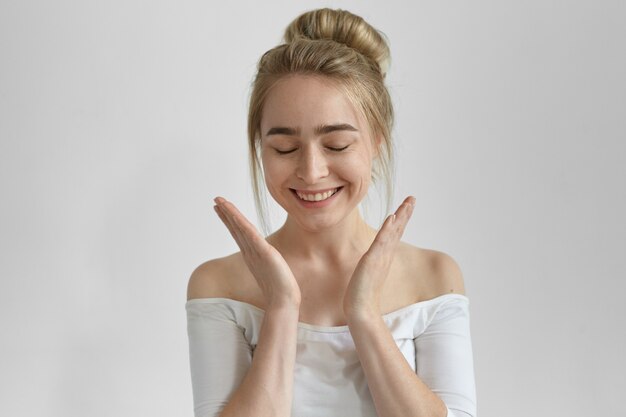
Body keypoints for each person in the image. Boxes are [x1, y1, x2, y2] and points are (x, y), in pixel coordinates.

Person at [186, 8, 476, 417]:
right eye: (284, 148)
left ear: (376, 141)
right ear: (260, 148)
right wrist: (283, 307)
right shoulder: (219, 283)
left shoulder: (434, 277)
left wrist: (364, 315)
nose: (311, 171)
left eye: (337, 144)